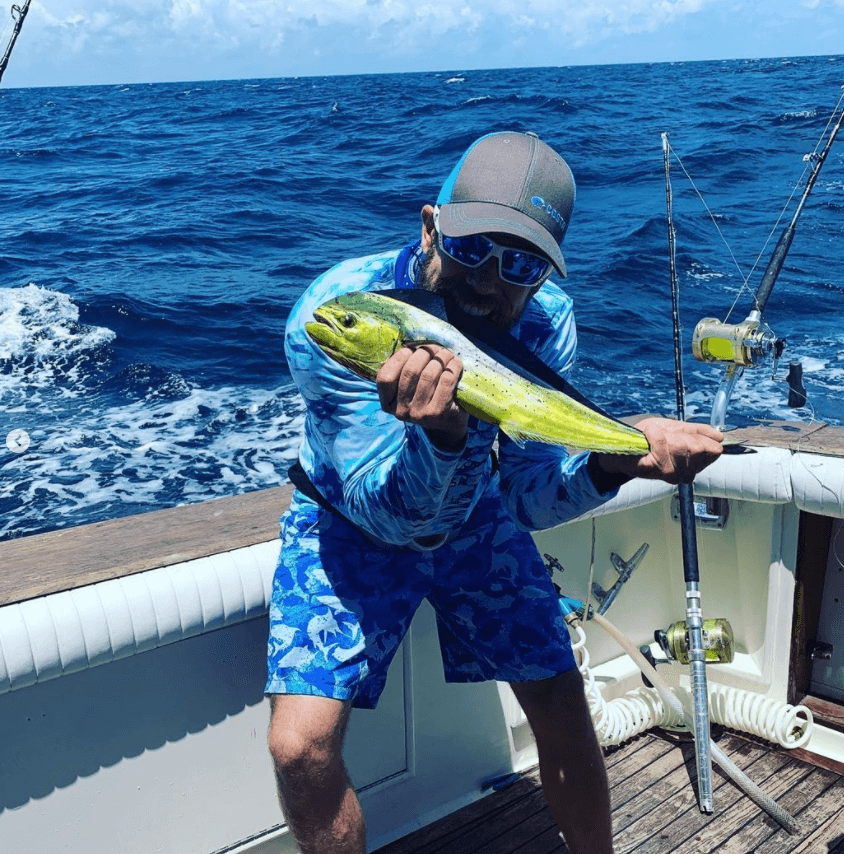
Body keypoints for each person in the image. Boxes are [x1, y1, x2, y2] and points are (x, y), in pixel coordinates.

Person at [266, 131, 723, 854]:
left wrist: (617, 460)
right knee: (300, 745)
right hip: (350, 520)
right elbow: (392, 515)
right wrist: (443, 440)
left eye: (521, 265)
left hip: (479, 516)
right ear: (430, 227)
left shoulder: (547, 324)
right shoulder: (335, 318)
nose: (489, 282)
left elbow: (527, 498)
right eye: (472, 249)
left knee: (561, 699)